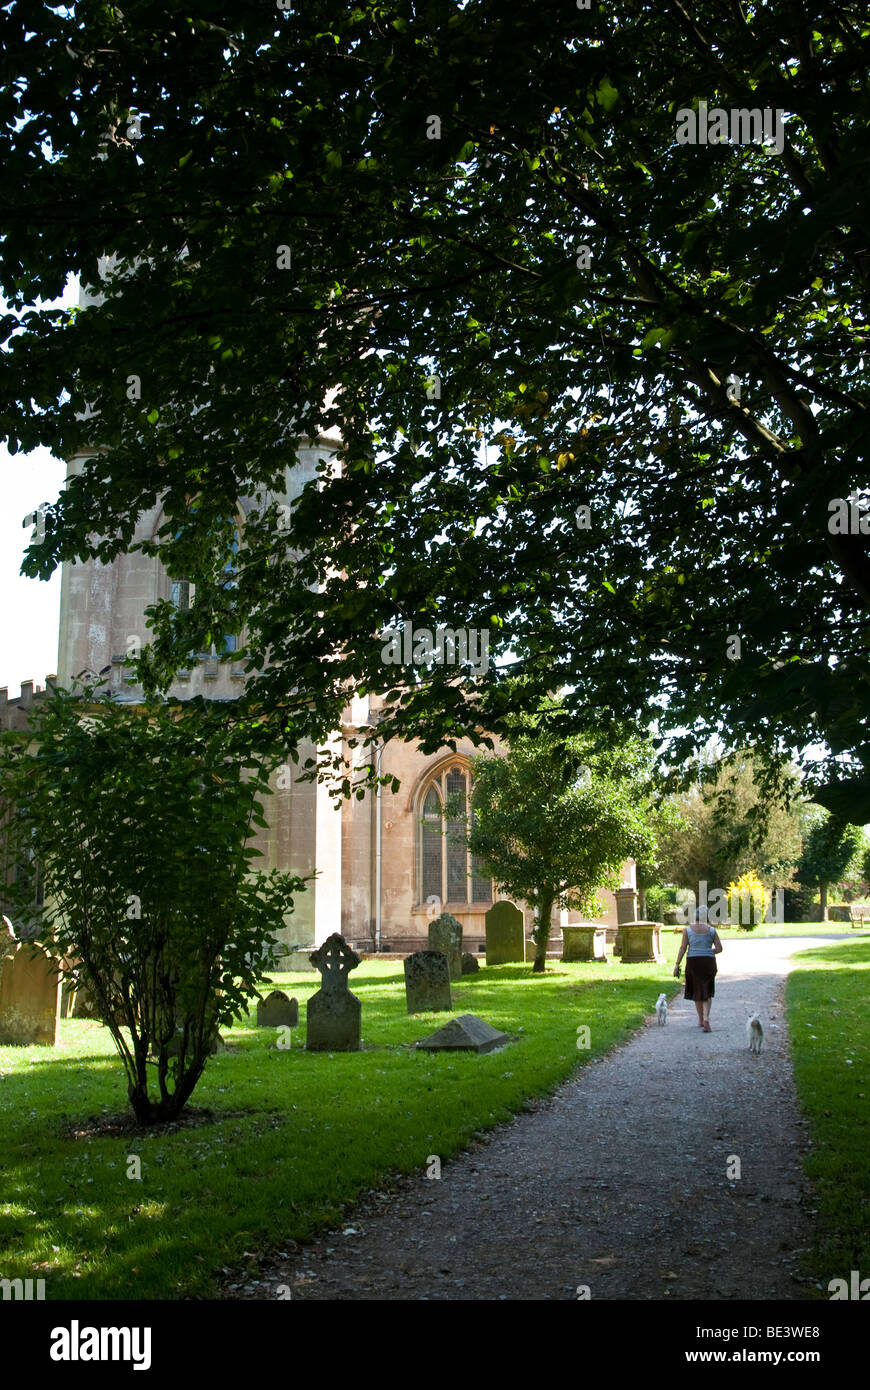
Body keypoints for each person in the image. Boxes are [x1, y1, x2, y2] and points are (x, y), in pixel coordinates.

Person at [673, 905, 723, 1032]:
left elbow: (683, 948)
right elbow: (719, 948)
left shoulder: (688, 930)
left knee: (696, 990)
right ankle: (706, 1018)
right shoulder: (712, 930)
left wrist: (677, 964)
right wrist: (708, 950)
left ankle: (700, 1019)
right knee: (707, 990)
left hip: (693, 962)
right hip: (708, 962)